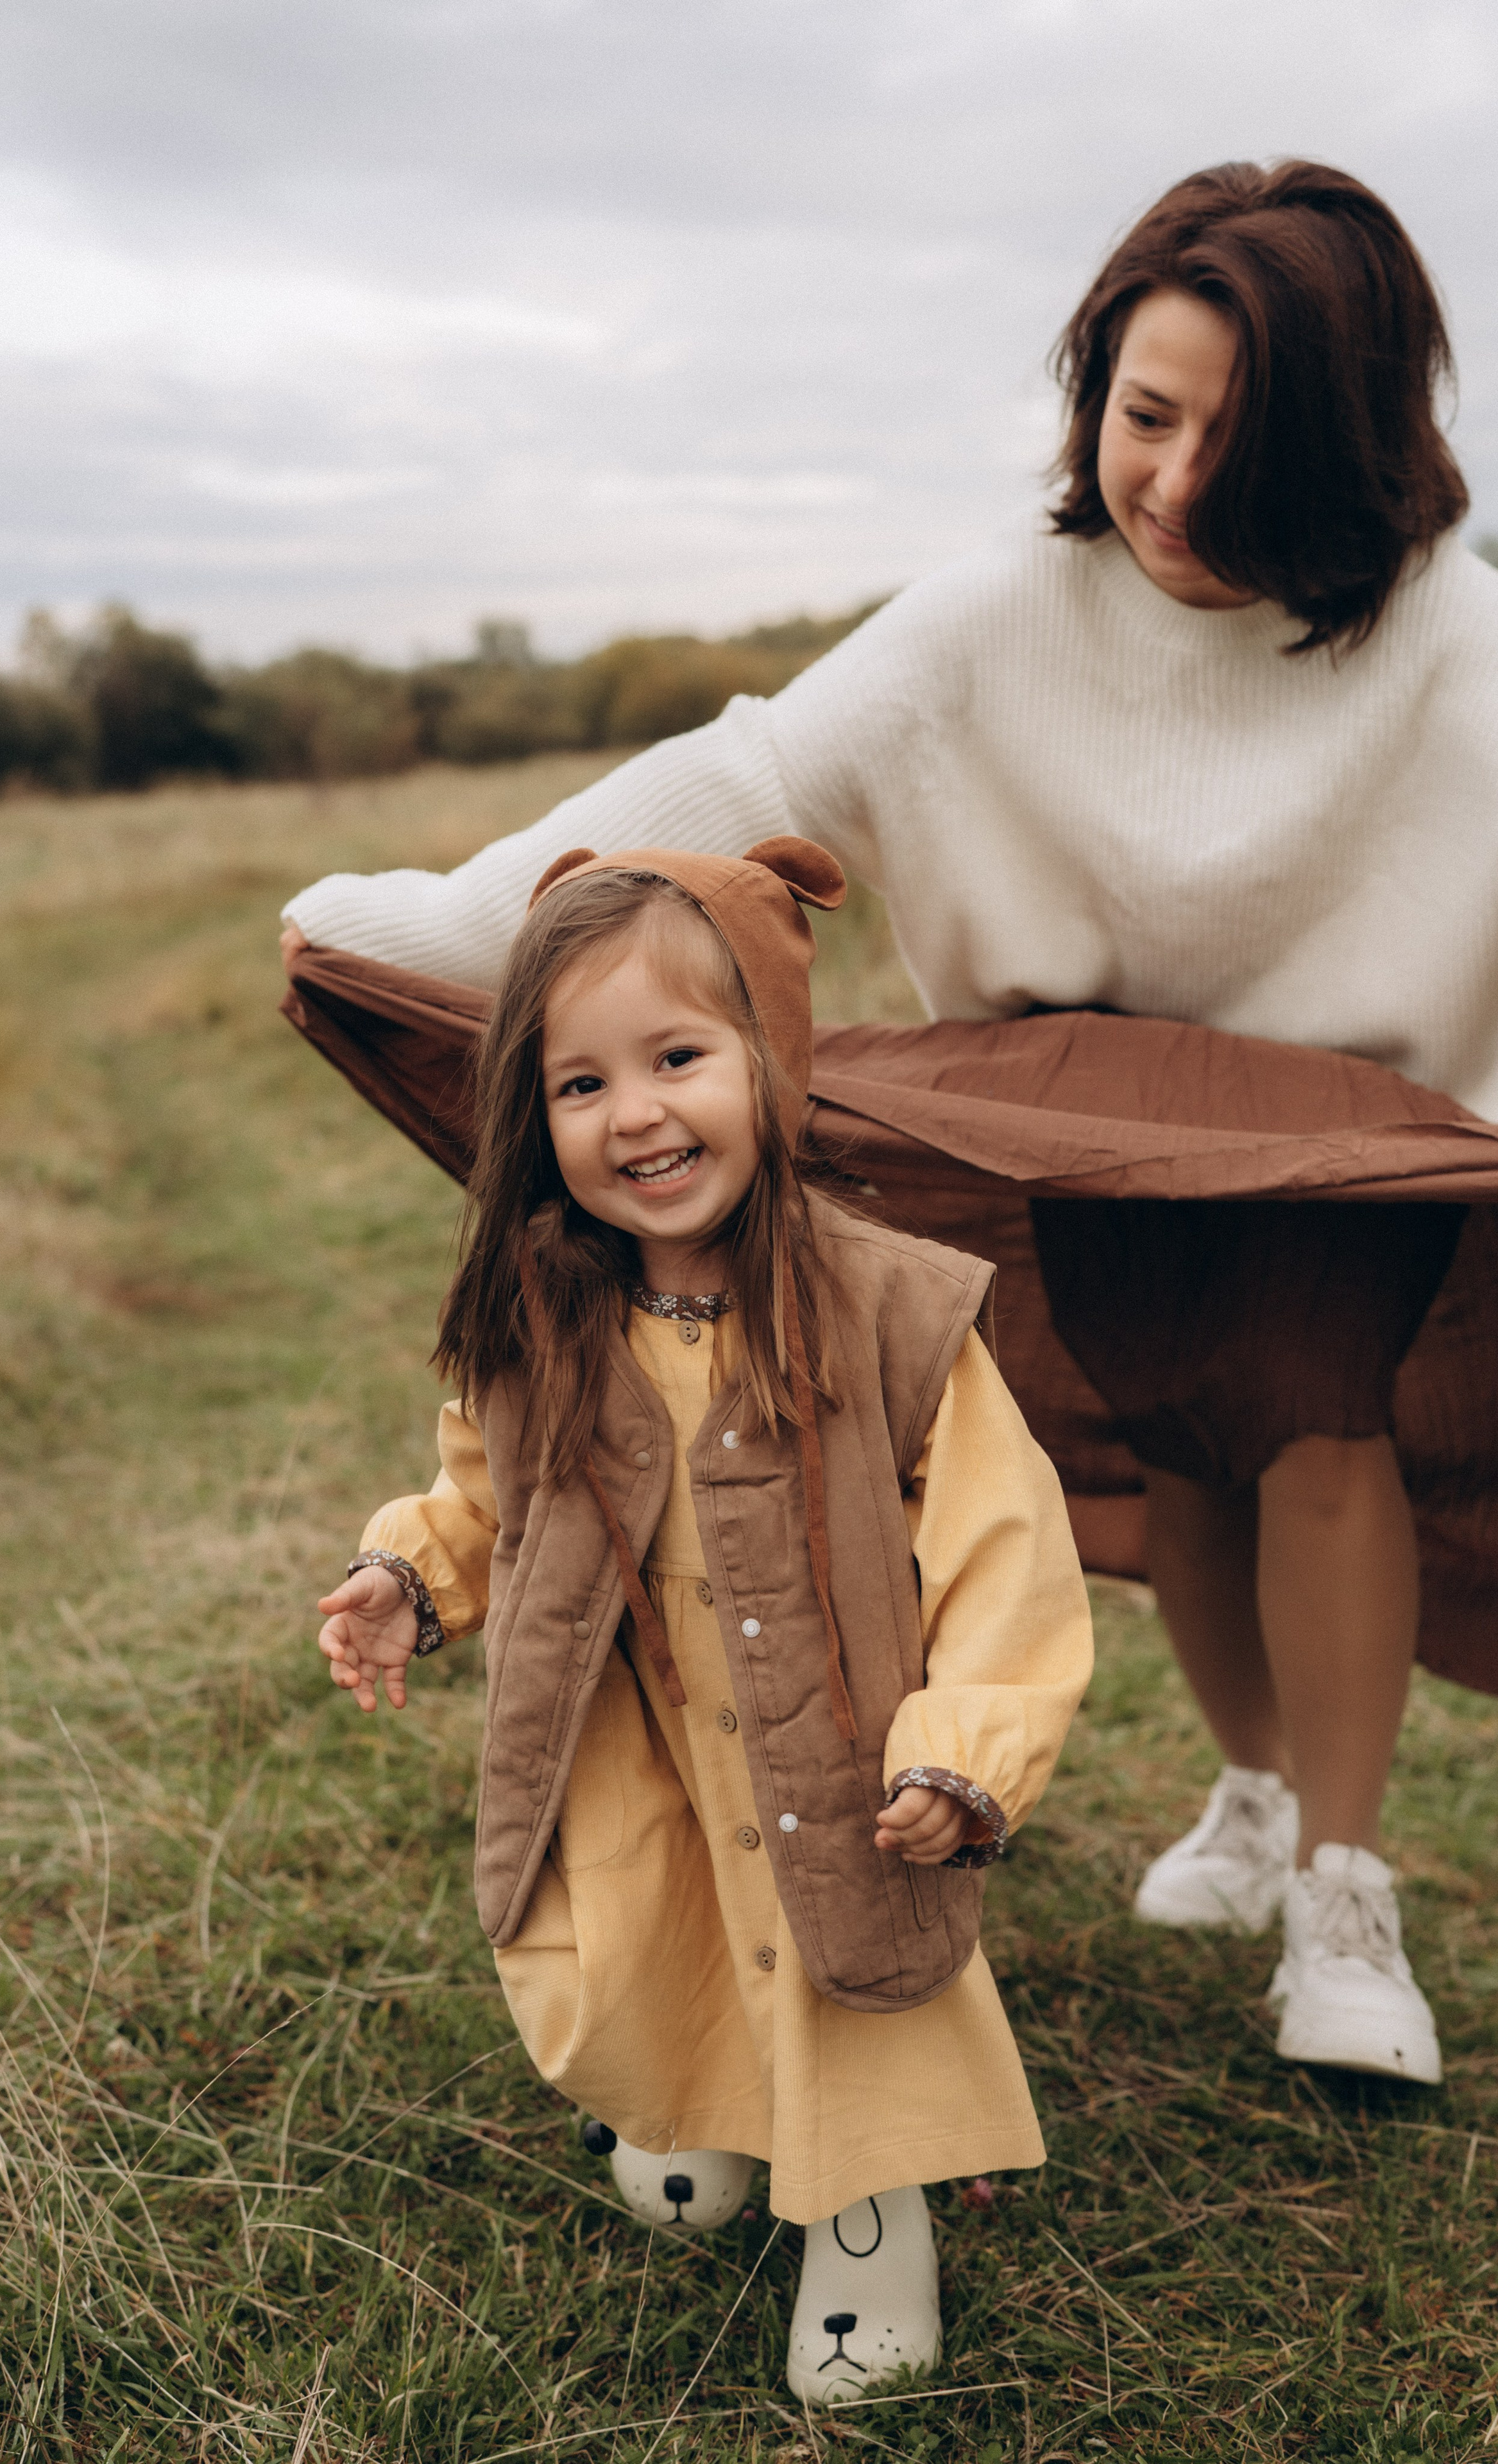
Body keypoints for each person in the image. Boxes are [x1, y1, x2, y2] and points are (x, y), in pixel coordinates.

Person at [285, 159, 1498, 2085]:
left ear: (1349, 447)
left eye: (1234, 442)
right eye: (1142, 416)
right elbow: (746, 771)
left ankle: (1349, 1893)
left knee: (1327, 1445)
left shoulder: (1451, 643)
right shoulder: (1009, 613)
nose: (1172, 486)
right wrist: (460, 918)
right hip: (1098, 1132)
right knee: (1188, 1452)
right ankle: (1254, 1796)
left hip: (1349, 1156)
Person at [313, 839, 1093, 2403]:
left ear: (769, 1061)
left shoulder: (886, 1309)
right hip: (631, 1709)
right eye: (581, 1085)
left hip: (827, 1726)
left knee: (836, 1946)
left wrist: (961, 1752)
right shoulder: (539, 1314)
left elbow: (1002, 1553)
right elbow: (485, 1496)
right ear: (534, 1122)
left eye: (677, 1057)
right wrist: (412, 1578)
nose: (638, 1116)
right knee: (652, 1921)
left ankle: (870, 2218)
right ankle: (702, 2112)